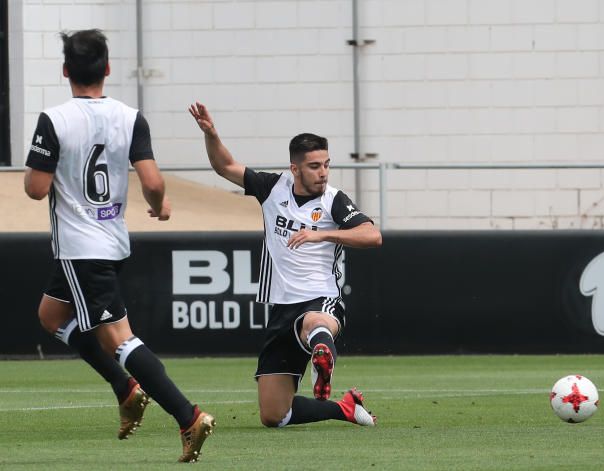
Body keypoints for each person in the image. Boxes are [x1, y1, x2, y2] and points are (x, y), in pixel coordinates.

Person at [23, 29, 214, 462]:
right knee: (52, 315)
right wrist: (159, 204)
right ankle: (125, 388)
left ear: (65, 70)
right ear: (107, 69)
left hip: (79, 247)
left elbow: (36, 189)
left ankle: (188, 416)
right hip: (111, 239)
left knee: (120, 339)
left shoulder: (54, 119)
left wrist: (40, 172)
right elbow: (151, 181)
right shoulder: (131, 117)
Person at [188, 102, 380, 429]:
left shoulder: (333, 200)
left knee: (314, 323)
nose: (323, 172)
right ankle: (344, 408)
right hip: (281, 307)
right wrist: (211, 134)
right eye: (315, 166)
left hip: (320, 299)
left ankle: (323, 353)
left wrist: (323, 235)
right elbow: (225, 167)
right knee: (274, 416)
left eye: (327, 164)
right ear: (295, 169)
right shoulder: (272, 188)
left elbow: (372, 235)